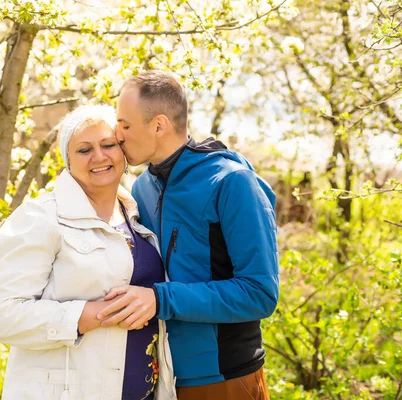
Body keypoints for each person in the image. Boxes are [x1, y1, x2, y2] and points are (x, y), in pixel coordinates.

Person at [98, 71, 279, 399]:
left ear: (159, 124)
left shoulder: (232, 183)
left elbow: (260, 293)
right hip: (159, 377)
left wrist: (160, 299)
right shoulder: (142, 188)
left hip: (224, 378)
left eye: (125, 124)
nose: (117, 135)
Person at [0, 104, 177, 400]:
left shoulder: (138, 216)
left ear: (123, 153)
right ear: (67, 162)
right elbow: (1, 316)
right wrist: (96, 315)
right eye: (84, 150)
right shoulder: (41, 218)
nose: (99, 157)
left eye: (108, 145)